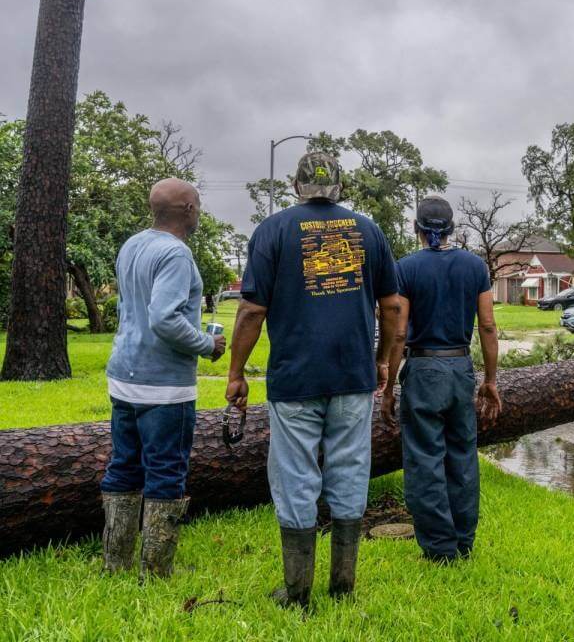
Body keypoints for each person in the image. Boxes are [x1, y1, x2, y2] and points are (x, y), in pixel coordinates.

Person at [225, 152, 401, 608]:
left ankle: (297, 592)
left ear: (295, 186)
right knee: (350, 471)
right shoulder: (369, 231)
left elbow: (251, 310)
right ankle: (343, 587)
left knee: (295, 476)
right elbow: (394, 308)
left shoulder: (273, 230)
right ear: (340, 186)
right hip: (352, 376)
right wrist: (382, 361)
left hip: (295, 377)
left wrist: (236, 372)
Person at [101, 178, 226, 579]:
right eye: (199, 204)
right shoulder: (176, 255)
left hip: (123, 375)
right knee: (166, 471)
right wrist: (208, 345)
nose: (200, 210)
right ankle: (155, 571)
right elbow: (165, 318)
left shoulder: (132, 245)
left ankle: (114, 563)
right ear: (188, 208)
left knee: (123, 466)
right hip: (163, 385)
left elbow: (133, 309)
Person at [380, 196, 501, 563]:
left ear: (417, 228)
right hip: (461, 368)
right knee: (463, 455)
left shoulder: (406, 268)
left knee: (424, 458)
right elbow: (488, 326)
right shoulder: (475, 266)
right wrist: (490, 381)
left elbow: (399, 334)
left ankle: (438, 548)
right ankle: (464, 540)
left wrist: (389, 386)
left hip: (424, 369)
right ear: (452, 228)